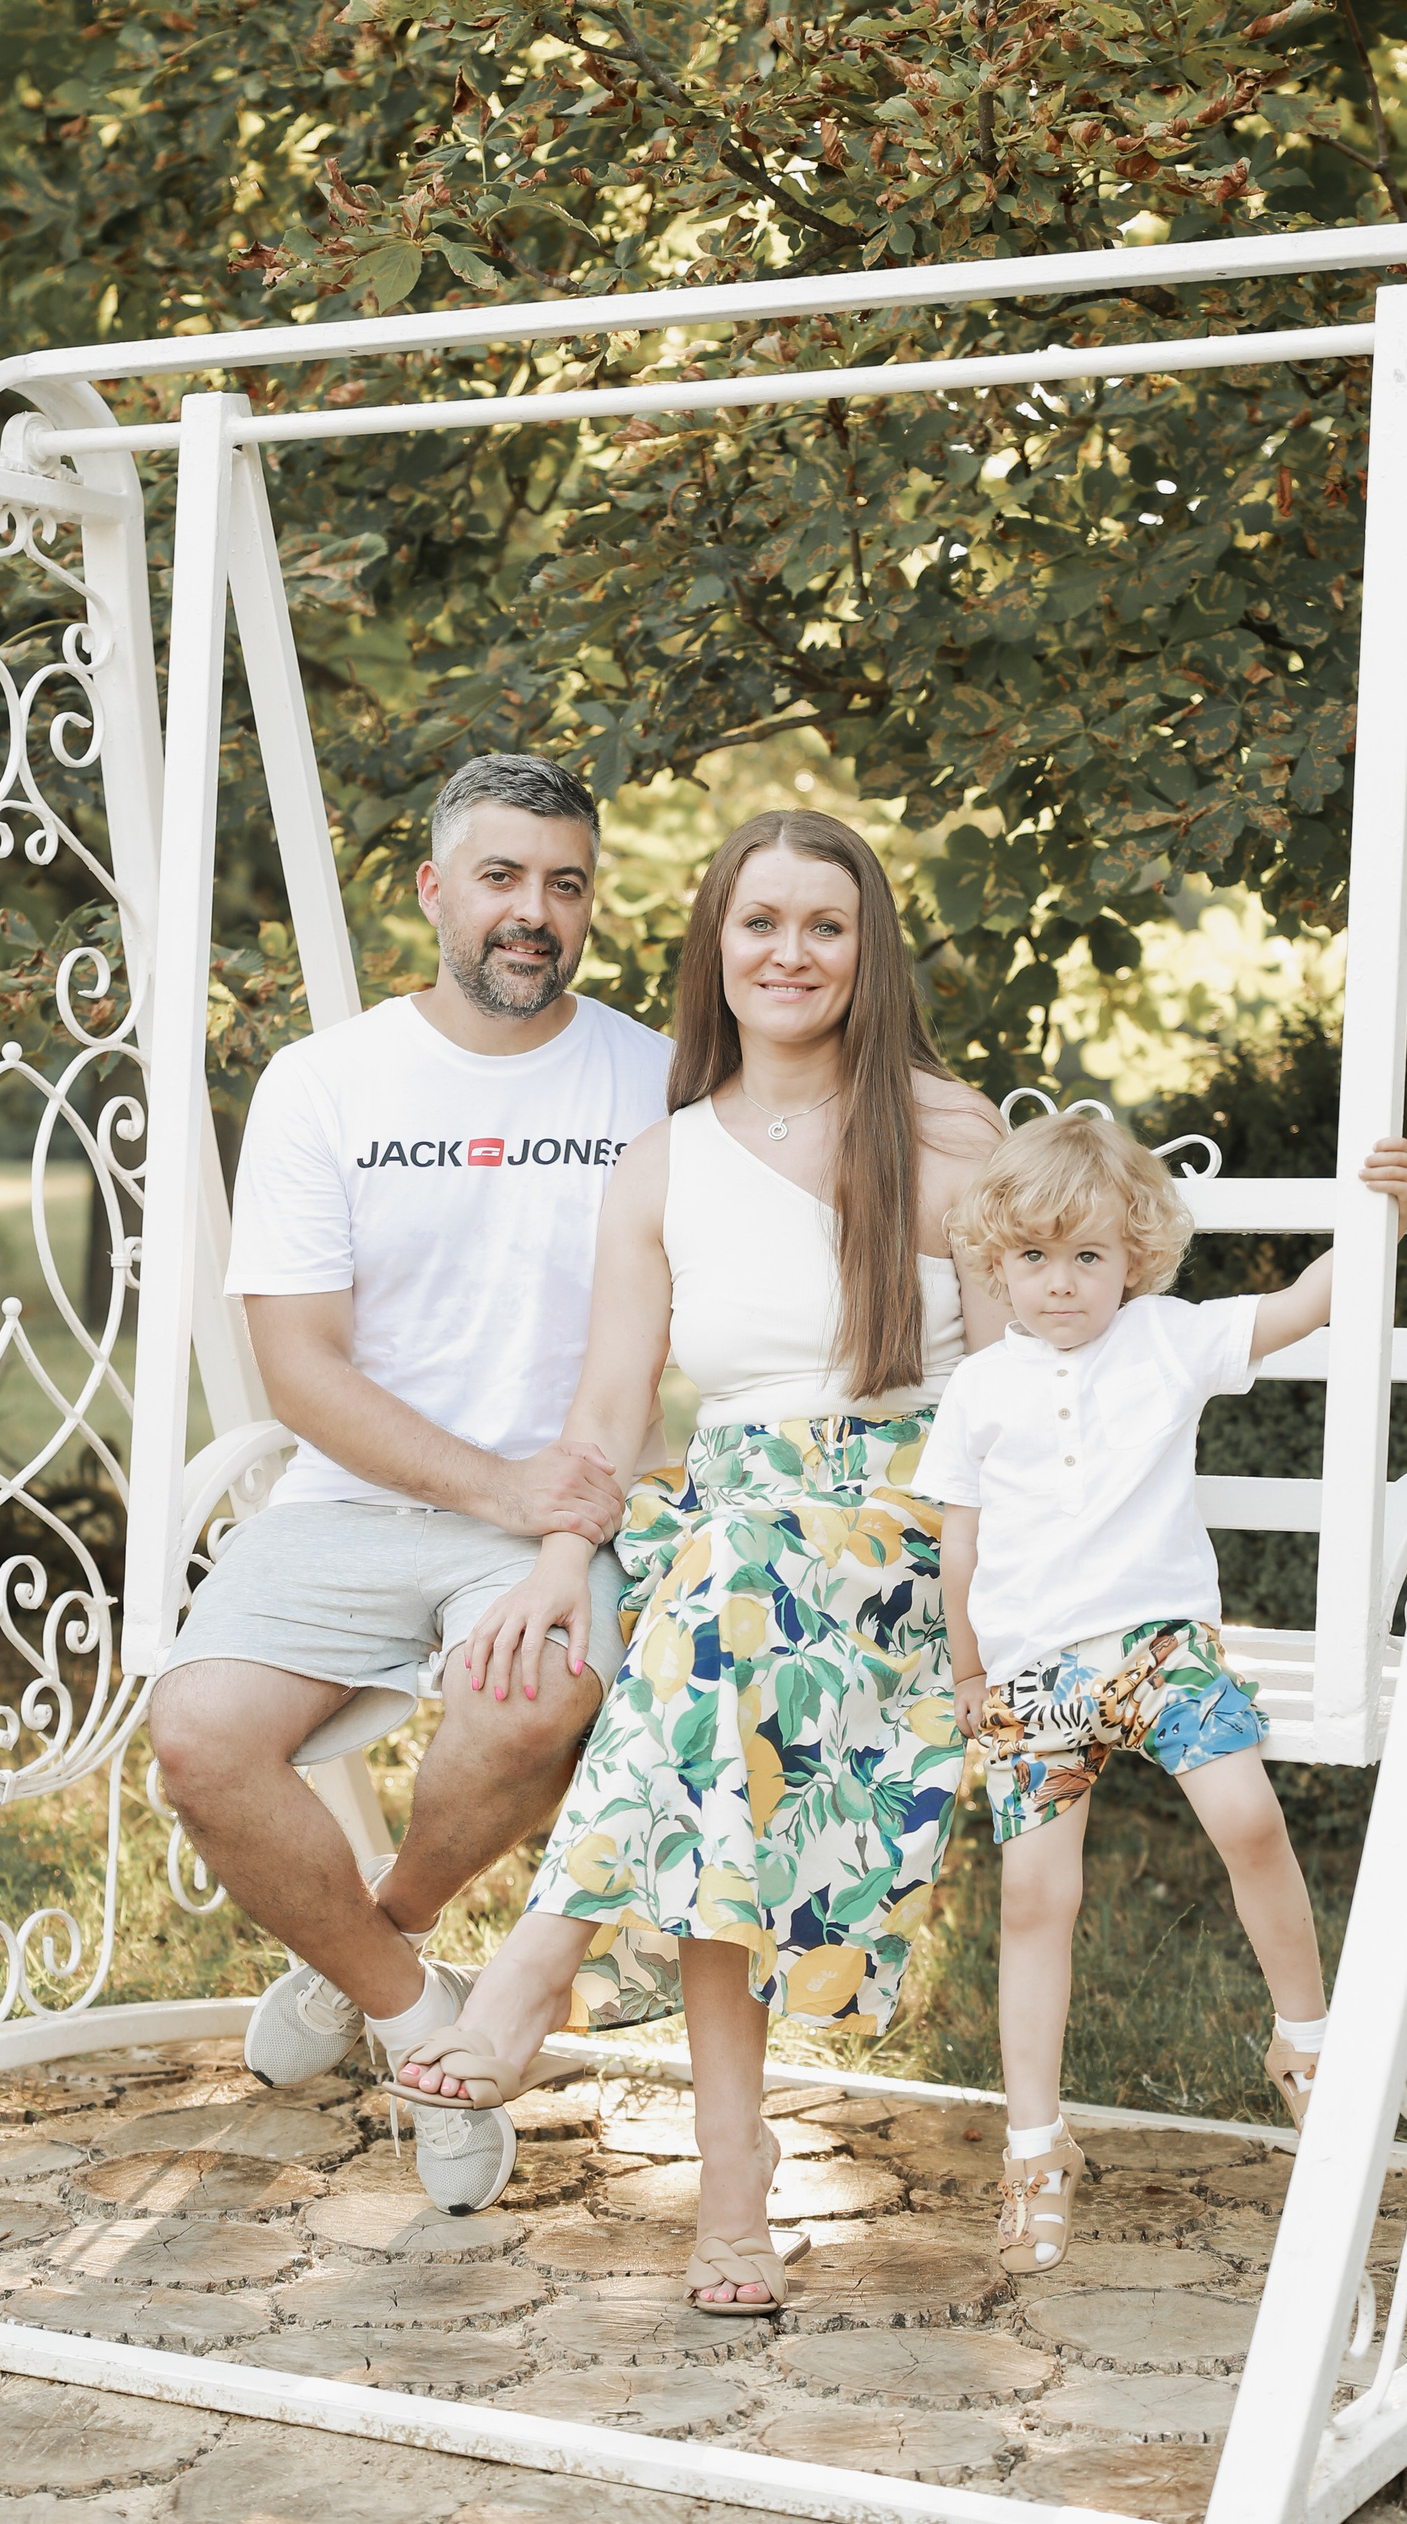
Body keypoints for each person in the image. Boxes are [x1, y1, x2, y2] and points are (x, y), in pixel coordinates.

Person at [384, 808, 1005, 2304]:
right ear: (715, 946)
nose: (790, 953)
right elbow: (613, 1402)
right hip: (734, 1552)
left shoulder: (948, 1132)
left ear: (866, 951)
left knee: (727, 1603)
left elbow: (1020, 1389)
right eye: (760, 923)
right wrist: (558, 1557)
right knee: (726, 1668)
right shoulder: (662, 1160)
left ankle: (538, 1969)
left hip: (911, 1535)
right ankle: (733, 2183)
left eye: (824, 925)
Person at [147, 752, 672, 2213]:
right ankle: (416, 2014)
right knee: (198, 1737)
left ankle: (378, 1931)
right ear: (435, 890)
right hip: (352, 1502)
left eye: (565, 884)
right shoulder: (327, 1083)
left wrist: (544, 1515)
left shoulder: (658, 1078)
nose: (533, 912)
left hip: (555, 1524)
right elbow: (298, 1371)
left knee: (532, 1698)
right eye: (501, 878)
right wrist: (505, 1491)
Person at [919, 1107, 1407, 2277]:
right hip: (1034, 1674)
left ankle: (1307, 2042)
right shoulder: (981, 1388)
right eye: (1034, 1257)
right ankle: (1036, 2147)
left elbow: (1307, 1302)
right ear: (997, 1261)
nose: (1060, 1282)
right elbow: (961, 1547)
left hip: (1161, 1647)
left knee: (1248, 1817)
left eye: (1088, 1255)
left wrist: (1387, 1218)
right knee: (1036, 1897)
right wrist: (968, 1669)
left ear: (1134, 1259)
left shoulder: (1169, 1339)